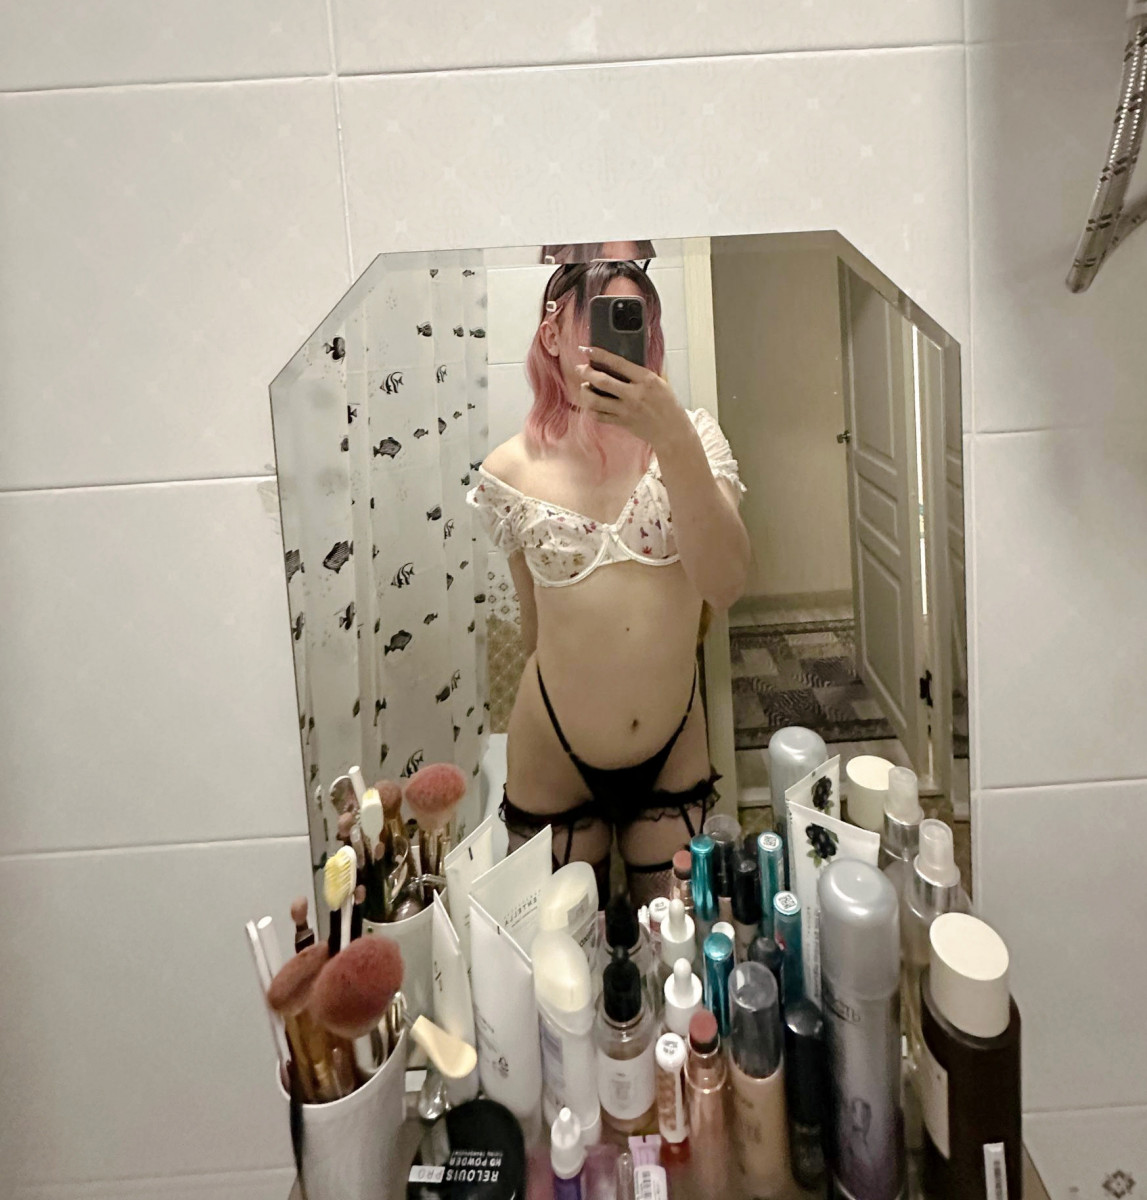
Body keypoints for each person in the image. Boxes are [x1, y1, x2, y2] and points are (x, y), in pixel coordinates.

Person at [466, 258, 750, 906]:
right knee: (564, 953)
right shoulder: (509, 470)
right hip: (551, 754)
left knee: (674, 948)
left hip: (673, 749)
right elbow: (535, 630)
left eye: (633, 323)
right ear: (552, 335)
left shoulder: (696, 440)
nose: (618, 343)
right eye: (599, 321)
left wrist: (671, 436)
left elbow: (726, 584)